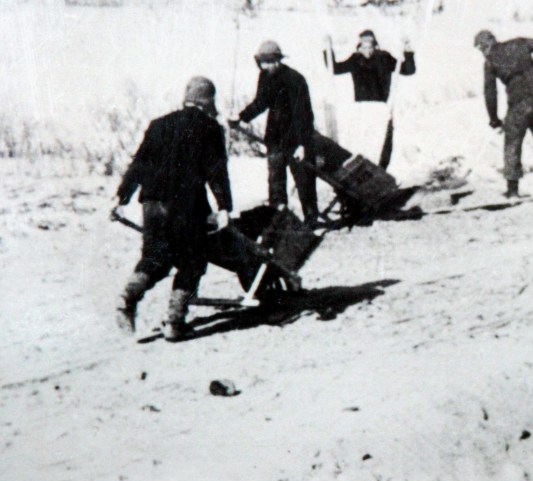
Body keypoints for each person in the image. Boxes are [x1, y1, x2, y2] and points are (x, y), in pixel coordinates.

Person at [112, 76, 233, 342]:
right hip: (185, 205)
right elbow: (216, 171)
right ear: (208, 101)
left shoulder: (158, 125)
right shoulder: (211, 128)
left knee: (155, 258)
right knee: (193, 261)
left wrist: (121, 198)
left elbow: (139, 164)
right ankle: (175, 321)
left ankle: (127, 299)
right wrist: (224, 207)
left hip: (152, 203)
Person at [230, 40, 320, 226]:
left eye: (270, 62)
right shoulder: (264, 77)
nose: (266, 66)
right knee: (276, 182)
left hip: (296, 139)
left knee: (304, 181)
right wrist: (241, 117)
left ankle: (311, 221)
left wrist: (303, 144)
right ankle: (280, 222)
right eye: (263, 63)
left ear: (278, 60)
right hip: (275, 139)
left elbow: (304, 114)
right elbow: (260, 102)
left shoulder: (296, 79)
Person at [474, 30, 533, 198]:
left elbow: (490, 92)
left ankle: (512, 190)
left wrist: (494, 119)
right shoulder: (519, 43)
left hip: (519, 105)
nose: (482, 53)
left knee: (512, 144)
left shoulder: (490, 61)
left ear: (485, 46)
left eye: (481, 49)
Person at [332, 30, 416, 168]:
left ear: (375, 45)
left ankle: (381, 169)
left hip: (382, 107)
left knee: (383, 140)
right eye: (363, 46)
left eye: (370, 46)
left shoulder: (384, 58)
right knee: (363, 140)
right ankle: (362, 172)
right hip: (362, 108)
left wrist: (408, 50)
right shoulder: (355, 59)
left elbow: (408, 70)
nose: (367, 50)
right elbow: (335, 69)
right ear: (359, 47)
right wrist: (327, 50)